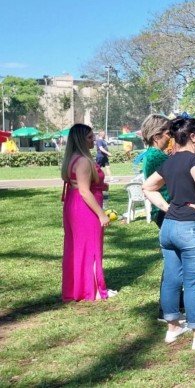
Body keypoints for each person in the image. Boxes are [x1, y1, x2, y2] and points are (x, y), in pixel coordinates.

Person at [142, 117, 195, 351]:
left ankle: (173, 327)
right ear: (192, 137)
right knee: (194, 283)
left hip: (169, 228)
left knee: (171, 278)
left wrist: (167, 208)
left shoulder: (169, 162)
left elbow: (148, 187)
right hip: (192, 228)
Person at [61, 124, 115, 301]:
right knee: (91, 246)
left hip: (73, 203)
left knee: (77, 246)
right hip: (84, 207)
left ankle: (79, 286)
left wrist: (100, 186)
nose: (93, 140)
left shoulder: (73, 158)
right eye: (90, 138)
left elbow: (81, 185)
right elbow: (85, 191)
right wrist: (101, 214)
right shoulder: (83, 161)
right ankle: (94, 289)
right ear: (80, 140)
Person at [139, 113, 184, 322]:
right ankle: (169, 308)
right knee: (174, 262)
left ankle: (174, 305)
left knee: (176, 261)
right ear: (157, 135)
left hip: (165, 211)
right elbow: (178, 172)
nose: (171, 137)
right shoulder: (157, 156)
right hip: (166, 210)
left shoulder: (154, 154)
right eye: (168, 133)